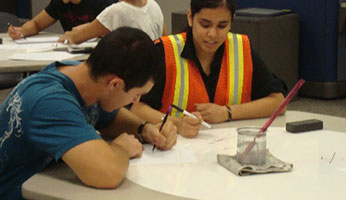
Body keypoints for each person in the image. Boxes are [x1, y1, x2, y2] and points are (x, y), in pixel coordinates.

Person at [0, 27, 177, 199]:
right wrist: (121, 148)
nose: (135, 101)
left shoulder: (86, 76)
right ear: (114, 84)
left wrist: (143, 128)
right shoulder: (51, 103)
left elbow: (109, 118)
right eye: (137, 94)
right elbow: (107, 173)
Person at [131, 0, 287, 138]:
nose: (212, 34)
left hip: (229, 145)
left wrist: (227, 112)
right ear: (190, 18)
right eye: (205, 25)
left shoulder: (241, 48)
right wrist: (176, 124)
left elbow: (278, 102)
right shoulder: (165, 51)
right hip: (175, 151)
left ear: (232, 21)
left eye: (222, 26)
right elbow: (135, 108)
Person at [58, 0, 168, 44]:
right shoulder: (154, 5)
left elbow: (76, 37)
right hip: (154, 77)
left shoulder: (117, 11)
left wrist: (69, 35)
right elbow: (165, 41)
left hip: (130, 79)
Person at [7, 0, 114, 40]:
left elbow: (116, 31)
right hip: (71, 50)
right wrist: (21, 31)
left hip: (98, 54)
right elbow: (36, 24)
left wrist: (91, 30)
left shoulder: (100, 2)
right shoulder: (59, 3)